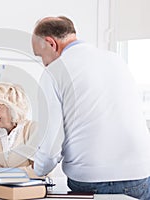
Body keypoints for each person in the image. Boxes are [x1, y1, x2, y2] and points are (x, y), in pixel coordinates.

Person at [31, 16, 150, 199]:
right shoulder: (115, 60)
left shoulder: (54, 72)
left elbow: (52, 144)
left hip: (91, 179)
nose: (44, 63)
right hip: (140, 174)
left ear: (50, 43)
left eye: (40, 55)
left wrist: (37, 169)